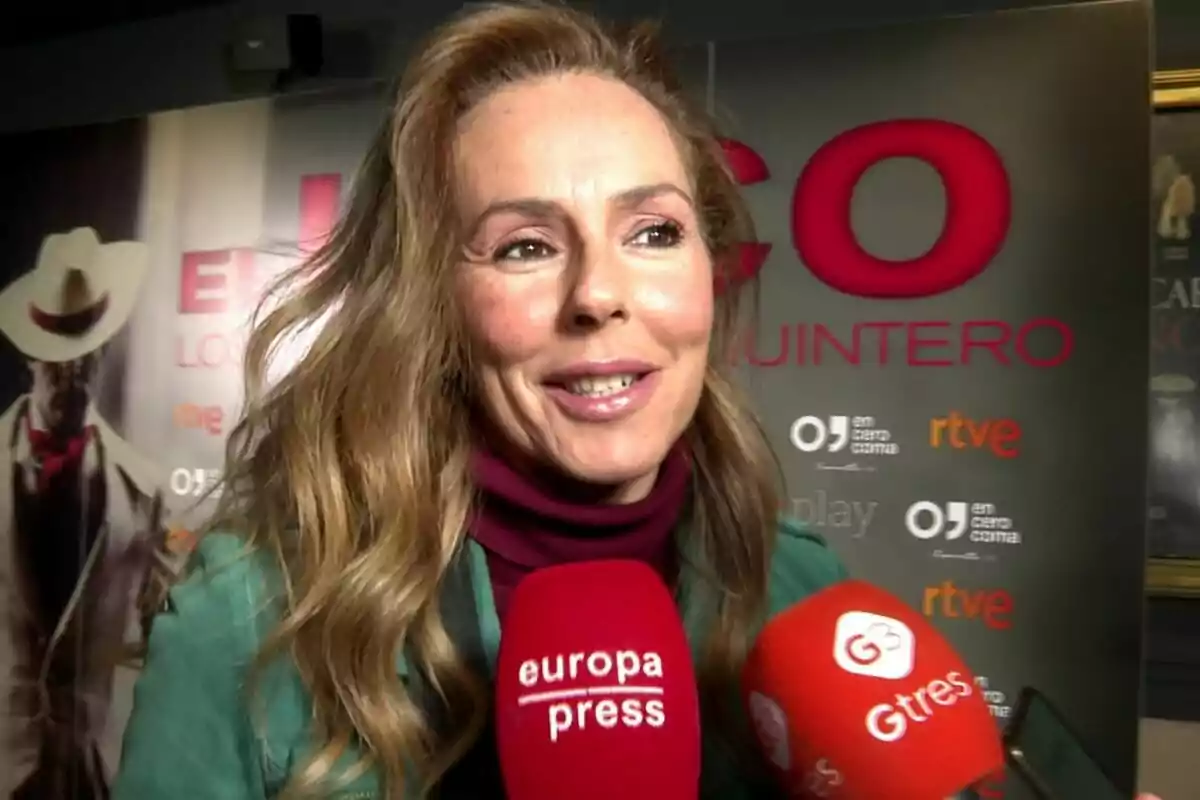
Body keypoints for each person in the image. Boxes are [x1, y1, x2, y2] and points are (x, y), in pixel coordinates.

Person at [110, 3, 1161, 800]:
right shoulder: (253, 617)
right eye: (524, 245)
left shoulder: (792, 577)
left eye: (653, 230)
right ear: (431, 299)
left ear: (710, 263)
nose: (601, 293)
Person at [0, 227, 173, 800]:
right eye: (57, 361)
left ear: (103, 351)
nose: (72, 376)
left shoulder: (144, 489)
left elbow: (159, 639)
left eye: (84, 357)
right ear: (30, 355)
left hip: (100, 770)